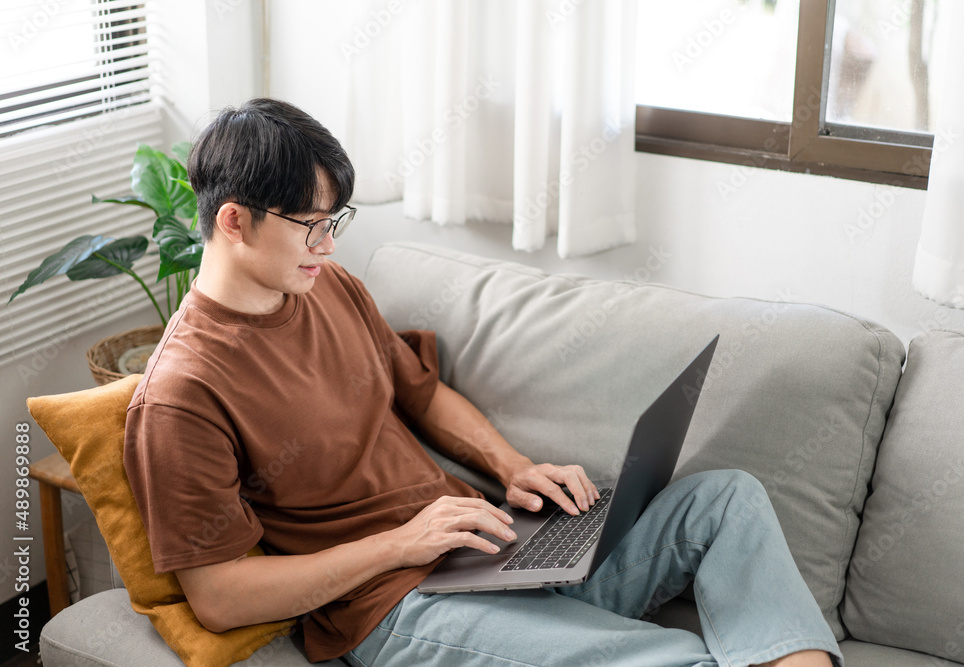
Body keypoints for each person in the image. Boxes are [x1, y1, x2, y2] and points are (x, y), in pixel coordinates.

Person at [123, 98, 843, 667]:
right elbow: (217, 596)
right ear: (234, 222)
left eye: (334, 219)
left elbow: (423, 394)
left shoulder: (330, 287)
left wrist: (516, 467)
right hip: (401, 607)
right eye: (313, 224)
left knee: (726, 501)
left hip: (492, 548)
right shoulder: (184, 392)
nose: (331, 243)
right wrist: (399, 543)